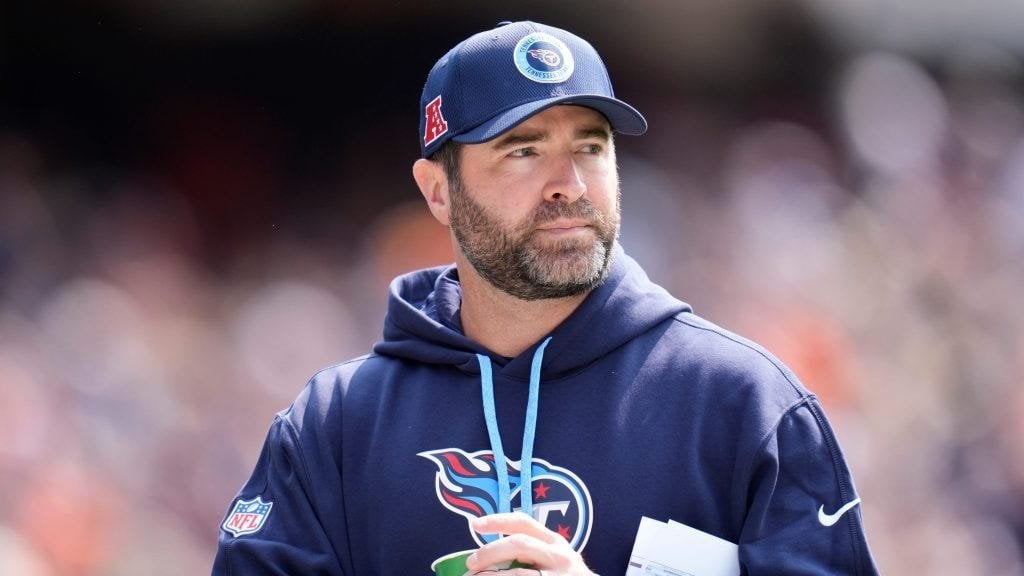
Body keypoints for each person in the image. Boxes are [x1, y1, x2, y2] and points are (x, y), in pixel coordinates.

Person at [212, 20, 879, 575]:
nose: (569, 183)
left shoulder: (746, 403)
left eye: (590, 147)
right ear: (438, 191)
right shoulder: (336, 425)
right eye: (523, 151)